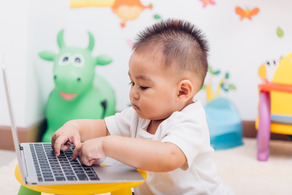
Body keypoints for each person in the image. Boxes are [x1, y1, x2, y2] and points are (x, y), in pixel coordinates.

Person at [52, 19, 234, 195]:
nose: (134, 93)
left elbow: (168, 157)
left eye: (143, 86)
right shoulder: (139, 115)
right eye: (132, 82)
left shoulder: (190, 120)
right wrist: (74, 126)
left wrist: (106, 145)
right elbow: (104, 127)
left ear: (182, 91)